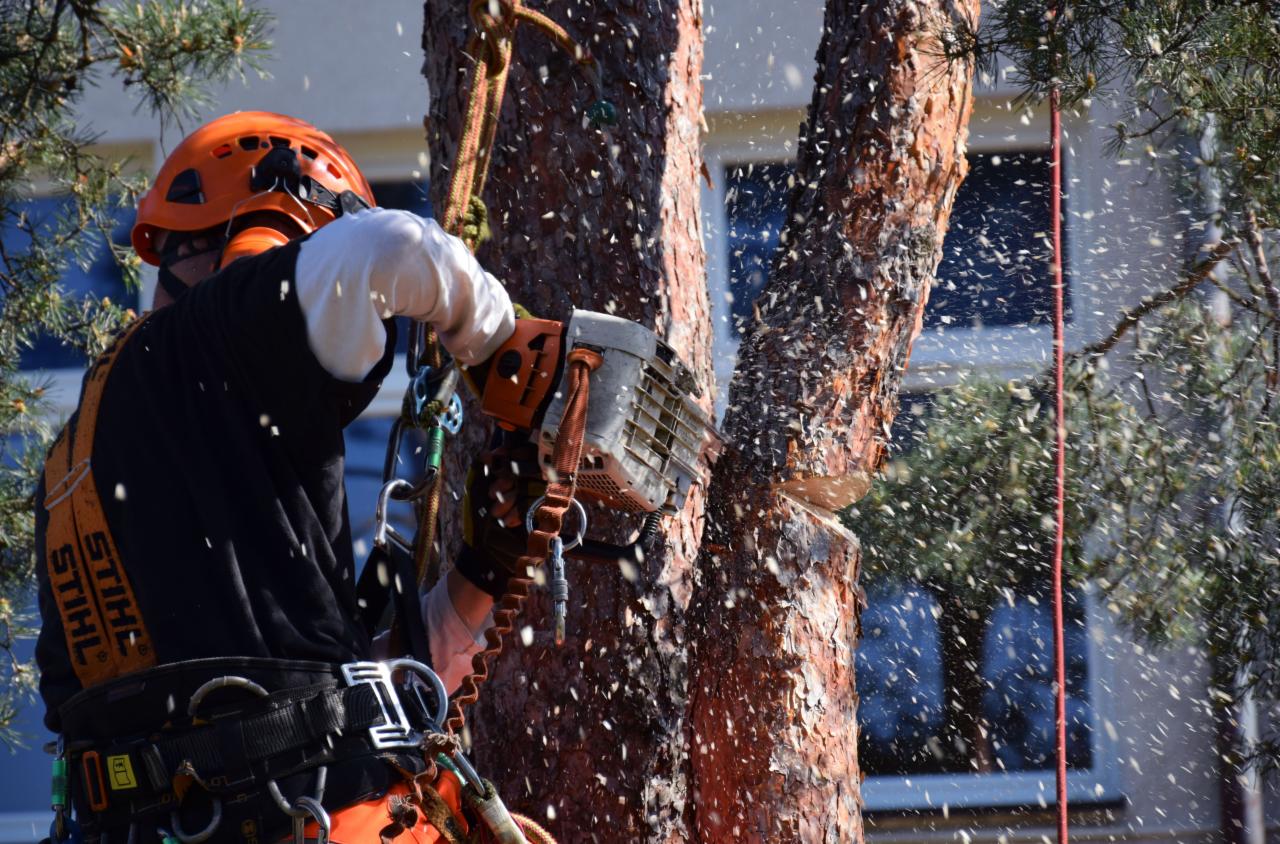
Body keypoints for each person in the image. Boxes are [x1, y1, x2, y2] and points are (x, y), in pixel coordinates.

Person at [34, 112, 527, 844]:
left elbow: (309, 690)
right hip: (304, 818)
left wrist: (483, 571)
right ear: (274, 239)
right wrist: (507, 345)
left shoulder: (81, 452)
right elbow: (391, 249)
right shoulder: (225, 328)